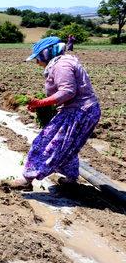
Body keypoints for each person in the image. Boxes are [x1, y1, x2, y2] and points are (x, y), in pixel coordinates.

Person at [8, 36, 101, 189]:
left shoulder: (62, 65)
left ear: (46, 54)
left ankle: (27, 179)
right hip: (84, 110)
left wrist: (41, 102)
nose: (37, 62)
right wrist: (41, 105)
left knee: (45, 143)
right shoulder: (63, 62)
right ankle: (71, 178)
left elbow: (67, 92)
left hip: (79, 112)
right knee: (68, 145)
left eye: (38, 58)